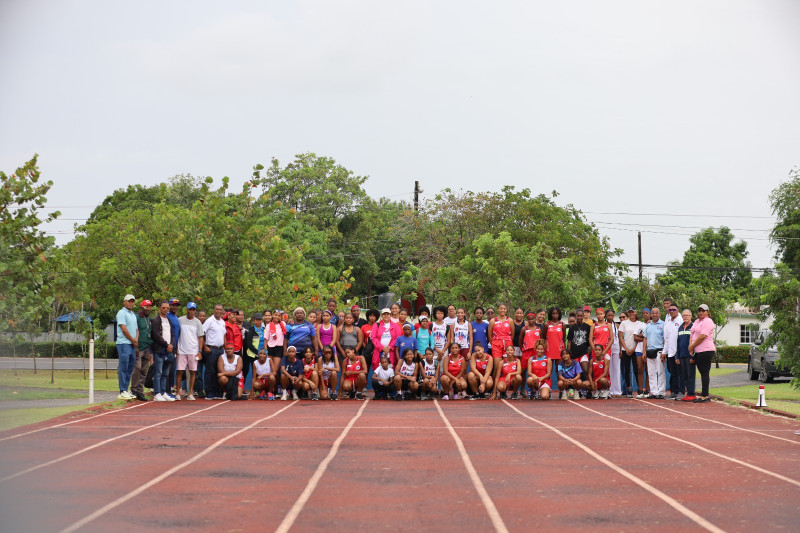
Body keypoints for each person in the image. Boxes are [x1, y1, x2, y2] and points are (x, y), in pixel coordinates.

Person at [176, 302, 204, 401]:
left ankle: (190, 393)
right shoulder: (180, 320)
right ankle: (177, 393)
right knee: (179, 371)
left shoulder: (197, 322)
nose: (192, 311)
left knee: (193, 372)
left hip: (193, 351)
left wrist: (199, 351)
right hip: (181, 351)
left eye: (193, 309)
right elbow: (176, 334)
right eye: (190, 309)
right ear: (186, 310)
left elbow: (200, 337)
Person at [688, 304, 715, 403]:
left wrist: (692, 346)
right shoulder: (697, 321)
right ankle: (704, 394)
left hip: (706, 350)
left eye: (703, 311)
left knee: (704, 372)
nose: (701, 312)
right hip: (698, 350)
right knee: (702, 372)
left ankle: (705, 395)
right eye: (699, 310)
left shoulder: (708, 321)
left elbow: (703, 336)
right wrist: (691, 347)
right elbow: (692, 334)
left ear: (707, 312)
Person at [151, 301, 177, 401]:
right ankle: (157, 393)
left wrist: (172, 345)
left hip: (168, 350)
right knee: (158, 372)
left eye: (167, 308)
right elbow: (156, 335)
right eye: (163, 308)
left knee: (165, 372)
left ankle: (163, 392)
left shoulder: (168, 320)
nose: (166, 309)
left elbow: (173, 334)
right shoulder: (156, 320)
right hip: (159, 349)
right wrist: (166, 345)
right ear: (159, 308)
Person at [115, 294, 139, 400]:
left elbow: (137, 329)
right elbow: (124, 329)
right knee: (123, 367)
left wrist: (136, 340)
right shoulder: (121, 313)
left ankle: (126, 389)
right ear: (124, 301)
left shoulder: (133, 314)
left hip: (132, 344)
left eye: (132, 301)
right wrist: (133, 340)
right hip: (124, 343)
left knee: (130, 368)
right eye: (129, 301)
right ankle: (122, 390)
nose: (131, 303)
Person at [202, 304, 226, 400]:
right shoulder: (209, 321)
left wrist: (224, 346)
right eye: (217, 309)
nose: (218, 311)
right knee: (210, 371)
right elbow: (200, 333)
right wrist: (205, 346)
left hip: (221, 349)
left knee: (219, 371)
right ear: (213, 310)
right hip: (211, 349)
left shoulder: (223, 322)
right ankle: (209, 392)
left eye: (220, 309)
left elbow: (224, 335)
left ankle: (217, 392)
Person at [619, 308, 644, 398]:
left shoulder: (640, 324)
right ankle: (629, 389)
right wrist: (625, 348)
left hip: (636, 349)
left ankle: (639, 389)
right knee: (626, 370)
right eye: (629, 312)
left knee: (637, 369)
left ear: (635, 312)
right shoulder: (624, 323)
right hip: (625, 349)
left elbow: (639, 337)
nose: (631, 314)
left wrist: (633, 349)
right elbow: (621, 337)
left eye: (633, 312)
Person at [131, 299, 153, 401]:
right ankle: (134, 389)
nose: (148, 309)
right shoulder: (137, 317)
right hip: (138, 347)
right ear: (142, 307)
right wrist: (135, 345)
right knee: (137, 367)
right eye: (146, 307)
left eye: (150, 307)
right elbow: (133, 330)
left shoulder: (150, 319)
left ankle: (140, 390)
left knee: (144, 369)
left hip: (147, 346)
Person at [567, 309, 593, 398]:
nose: (579, 317)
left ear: (583, 316)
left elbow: (590, 339)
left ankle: (589, 389)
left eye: (581, 316)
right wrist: (569, 353)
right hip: (574, 353)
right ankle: (574, 390)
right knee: (572, 373)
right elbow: (569, 341)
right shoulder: (572, 328)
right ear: (576, 316)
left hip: (583, 353)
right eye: (578, 316)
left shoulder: (587, 327)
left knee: (585, 370)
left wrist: (590, 348)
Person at [520, 311, 544, 395]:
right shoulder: (524, 329)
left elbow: (541, 341)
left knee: (534, 371)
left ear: (535, 319)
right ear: (527, 319)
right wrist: (523, 349)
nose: (531, 320)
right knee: (523, 370)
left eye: (532, 319)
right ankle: (522, 389)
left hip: (535, 352)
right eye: (529, 319)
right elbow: (520, 341)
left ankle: (535, 389)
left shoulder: (538, 329)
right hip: (526, 352)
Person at [242, 312, 265, 400]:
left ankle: (261, 391)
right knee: (255, 374)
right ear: (254, 321)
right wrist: (257, 353)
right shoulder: (251, 330)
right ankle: (252, 393)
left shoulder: (264, 329)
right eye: (256, 320)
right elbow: (249, 344)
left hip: (263, 354)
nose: (258, 322)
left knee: (262, 373)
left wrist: (264, 353)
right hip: (253, 355)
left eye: (260, 320)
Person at [676, 310, 696, 402]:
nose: (685, 317)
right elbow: (678, 343)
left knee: (690, 375)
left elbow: (695, 343)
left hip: (689, 355)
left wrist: (693, 356)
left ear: (691, 316)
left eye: (687, 315)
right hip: (682, 355)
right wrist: (677, 356)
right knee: (684, 375)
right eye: (684, 315)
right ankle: (687, 393)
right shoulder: (680, 328)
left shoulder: (693, 327)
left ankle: (692, 393)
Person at [663, 301, 682, 398]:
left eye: (674, 310)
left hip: (677, 352)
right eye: (670, 310)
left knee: (677, 373)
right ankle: (673, 391)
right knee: (672, 372)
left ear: (678, 310)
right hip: (669, 351)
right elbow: (667, 338)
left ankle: (678, 391)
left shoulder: (680, 320)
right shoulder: (668, 321)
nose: (672, 311)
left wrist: (678, 352)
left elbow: (680, 338)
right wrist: (664, 352)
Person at [545, 307, 565, 395]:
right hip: (549, 350)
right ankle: (547, 389)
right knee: (548, 371)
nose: (555, 315)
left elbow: (563, 338)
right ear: (550, 314)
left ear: (559, 314)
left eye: (557, 313)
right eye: (553, 313)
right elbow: (543, 337)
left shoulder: (562, 324)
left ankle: (561, 390)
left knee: (559, 371)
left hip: (559, 350)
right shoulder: (546, 324)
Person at [265, 310, 286, 394]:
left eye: (279, 316)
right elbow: (266, 340)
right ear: (272, 315)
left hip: (279, 348)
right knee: (269, 370)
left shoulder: (283, 324)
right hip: (270, 348)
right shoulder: (268, 325)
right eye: (276, 315)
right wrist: (265, 352)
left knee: (275, 370)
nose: (277, 317)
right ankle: (269, 390)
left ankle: (273, 390)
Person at [606, 309, 623, 397]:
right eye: (609, 315)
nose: (610, 317)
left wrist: (620, 349)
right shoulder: (604, 325)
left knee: (616, 369)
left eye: (612, 315)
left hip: (616, 347)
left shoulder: (616, 325)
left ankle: (617, 390)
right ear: (606, 316)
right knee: (609, 369)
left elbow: (619, 338)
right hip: (607, 347)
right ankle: (610, 390)